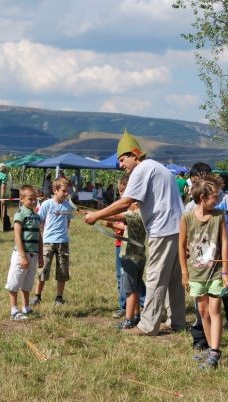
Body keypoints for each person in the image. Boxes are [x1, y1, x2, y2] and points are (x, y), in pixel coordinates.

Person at [84, 130, 186, 336]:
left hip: (162, 229)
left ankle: (148, 326)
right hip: (177, 228)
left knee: (155, 277)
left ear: (133, 154)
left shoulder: (141, 170)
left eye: (122, 160)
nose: (121, 165)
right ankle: (177, 321)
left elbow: (126, 202)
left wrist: (97, 215)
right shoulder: (159, 168)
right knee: (174, 278)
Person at [186, 162, 228, 349]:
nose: (194, 186)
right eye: (192, 182)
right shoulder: (190, 207)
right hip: (201, 263)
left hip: (224, 259)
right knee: (202, 303)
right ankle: (201, 338)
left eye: (197, 182)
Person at [179, 175, 228, 369]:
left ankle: (215, 353)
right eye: (214, 196)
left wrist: (225, 270)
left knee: (214, 310)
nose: (217, 200)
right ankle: (211, 349)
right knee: (203, 311)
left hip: (215, 272)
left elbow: (224, 243)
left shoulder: (219, 216)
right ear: (202, 198)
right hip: (196, 273)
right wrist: (185, 273)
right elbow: (181, 246)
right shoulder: (187, 217)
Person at [30, 177, 74, 306]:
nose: (66, 194)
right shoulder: (47, 204)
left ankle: (59, 298)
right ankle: (37, 296)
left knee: (62, 271)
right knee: (43, 269)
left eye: (67, 191)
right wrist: (44, 234)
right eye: (64, 191)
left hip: (63, 242)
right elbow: (40, 221)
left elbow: (68, 222)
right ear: (55, 190)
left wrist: (63, 234)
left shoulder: (68, 205)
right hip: (48, 242)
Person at [4, 185, 43, 320]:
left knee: (27, 283)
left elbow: (39, 237)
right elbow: (17, 236)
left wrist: (40, 256)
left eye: (35, 199)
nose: (33, 201)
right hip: (22, 255)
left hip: (33, 254)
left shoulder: (36, 216)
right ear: (21, 199)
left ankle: (26, 307)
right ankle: (14, 311)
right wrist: (23, 256)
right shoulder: (20, 214)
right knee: (15, 282)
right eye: (30, 199)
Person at [107, 201, 147, 329]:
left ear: (135, 202)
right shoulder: (144, 213)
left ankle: (128, 320)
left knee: (129, 290)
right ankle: (136, 315)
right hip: (140, 257)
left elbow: (116, 216)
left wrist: (96, 215)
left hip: (131, 258)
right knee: (135, 288)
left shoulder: (134, 215)